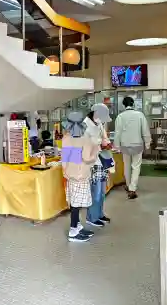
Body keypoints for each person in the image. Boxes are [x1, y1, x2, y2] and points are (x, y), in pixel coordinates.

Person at [62, 111, 100, 242]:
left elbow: (66, 159)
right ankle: (73, 231)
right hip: (81, 175)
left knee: (74, 202)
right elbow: (87, 158)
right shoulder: (85, 138)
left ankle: (77, 226)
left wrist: (66, 171)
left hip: (70, 174)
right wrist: (96, 151)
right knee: (77, 203)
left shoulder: (66, 138)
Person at [114, 96, 151, 199]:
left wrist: (116, 146)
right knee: (136, 166)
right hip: (137, 144)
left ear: (123, 105)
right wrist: (147, 143)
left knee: (126, 165)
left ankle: (128, 184)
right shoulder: (140, 115)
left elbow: (117, 133)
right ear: (133, 104)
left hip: (124, 145)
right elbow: (145, 131)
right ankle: (132, 188)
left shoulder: (120, 116)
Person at [83, 103, 112, 227]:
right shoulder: (85, 125)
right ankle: (92, 217)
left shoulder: (99, 123)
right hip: (92, 163)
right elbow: (85, 145)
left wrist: (107, 142)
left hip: (102, 160)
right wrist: (100, 144)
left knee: (101, 191)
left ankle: (99, 214)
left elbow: (105, 137)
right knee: (95, 191)